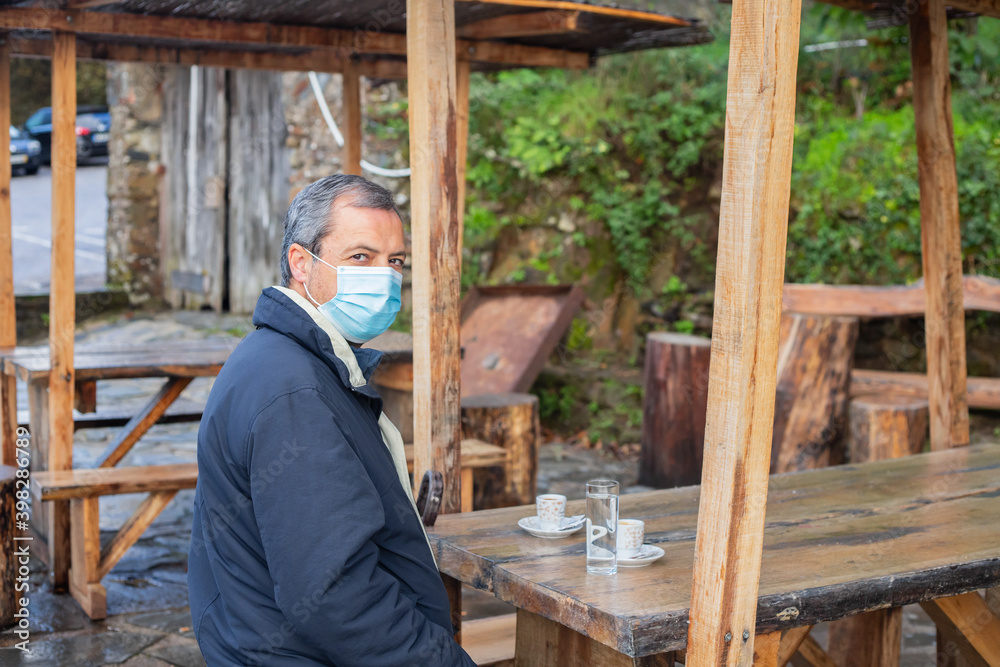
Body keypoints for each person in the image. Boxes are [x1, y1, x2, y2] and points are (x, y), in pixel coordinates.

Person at [187, 174, 476, 666]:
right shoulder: (294, 390)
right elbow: (335, 592)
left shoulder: (287, 358)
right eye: (360, 257)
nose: (384, 276)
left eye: (395, 261)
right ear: (301, 263)